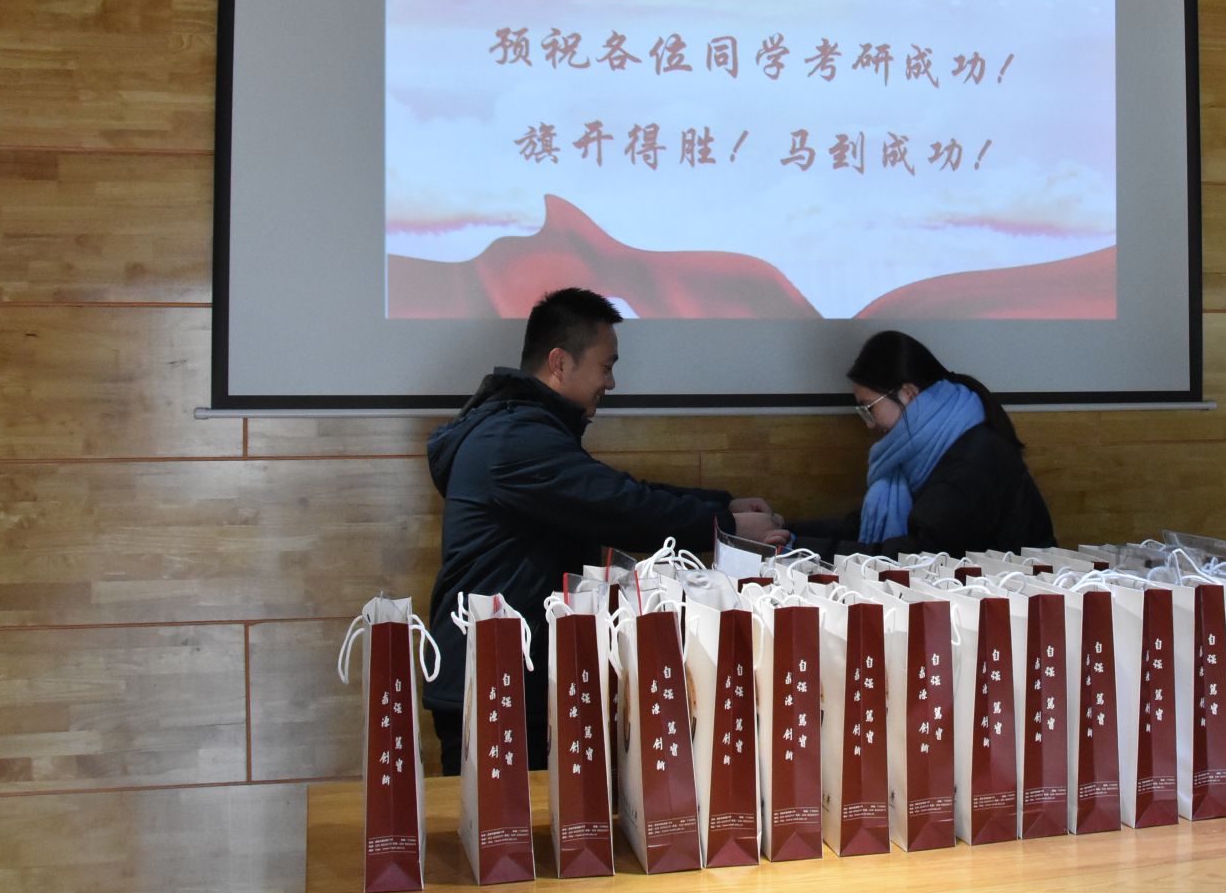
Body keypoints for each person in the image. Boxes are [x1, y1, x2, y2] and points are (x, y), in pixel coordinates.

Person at [422, 287, 789, 775]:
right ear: (559, 362)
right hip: (497, 686)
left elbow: (613, 490)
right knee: (506, 823)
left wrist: (723, 507)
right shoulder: (514, 439)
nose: (611, 382)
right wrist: (729, 526)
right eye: (606, 366)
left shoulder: (523, 429)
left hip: (513, 677)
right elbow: (622, 507)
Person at [791, 330, 1055, 560]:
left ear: (908, 393)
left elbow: (922, 556)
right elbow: (861, 525)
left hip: (1010, 594)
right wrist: (786, 532)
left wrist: (796, 547)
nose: (869, 424)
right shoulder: (927, 448)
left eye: (869, 408)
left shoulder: (973, 460)